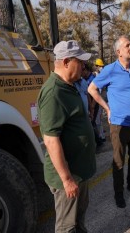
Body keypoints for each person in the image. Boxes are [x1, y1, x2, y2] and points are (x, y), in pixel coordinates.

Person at [37, 40, 96, 232]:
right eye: (79, 62)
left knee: (78, 219)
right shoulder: (54, 92)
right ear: (66, 62)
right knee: (66, 226)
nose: (83, 66)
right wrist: (67, 179)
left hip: (79, 172)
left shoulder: (69, 86)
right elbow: (51, 140)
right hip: (69, 176)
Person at [88, 36, 130, 208]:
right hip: (119, 124)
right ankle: (118, 193)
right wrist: (107, 108)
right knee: (119, 160)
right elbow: (92, 89)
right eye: (127, 45)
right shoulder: (109, 70)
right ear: (118, 52)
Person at [92, 58, 106, 143]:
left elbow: (98, 90)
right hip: (104, 99)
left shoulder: (99, 75)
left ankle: (102, 136)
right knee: (99, 119)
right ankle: (102, 135)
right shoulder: (103, 73)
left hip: (100, 100)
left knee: (98, 120)